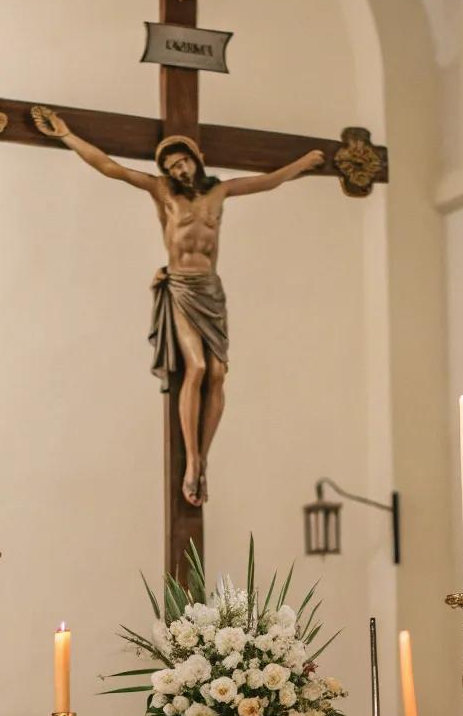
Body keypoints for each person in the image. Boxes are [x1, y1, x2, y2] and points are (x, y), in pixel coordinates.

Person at [31, 106, 324, 505]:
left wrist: (303, 163)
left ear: (196, 159)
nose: (178, 170)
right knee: (198, 367)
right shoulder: (162, 192)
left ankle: (205, 458)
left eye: (182, 161)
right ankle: (191, 461)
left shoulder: (220, 192)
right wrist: (66, 134)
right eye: (171, 166)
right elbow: (109, 167)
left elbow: (268, 182)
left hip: (210, 289)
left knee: (219, 372)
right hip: (181, 287)